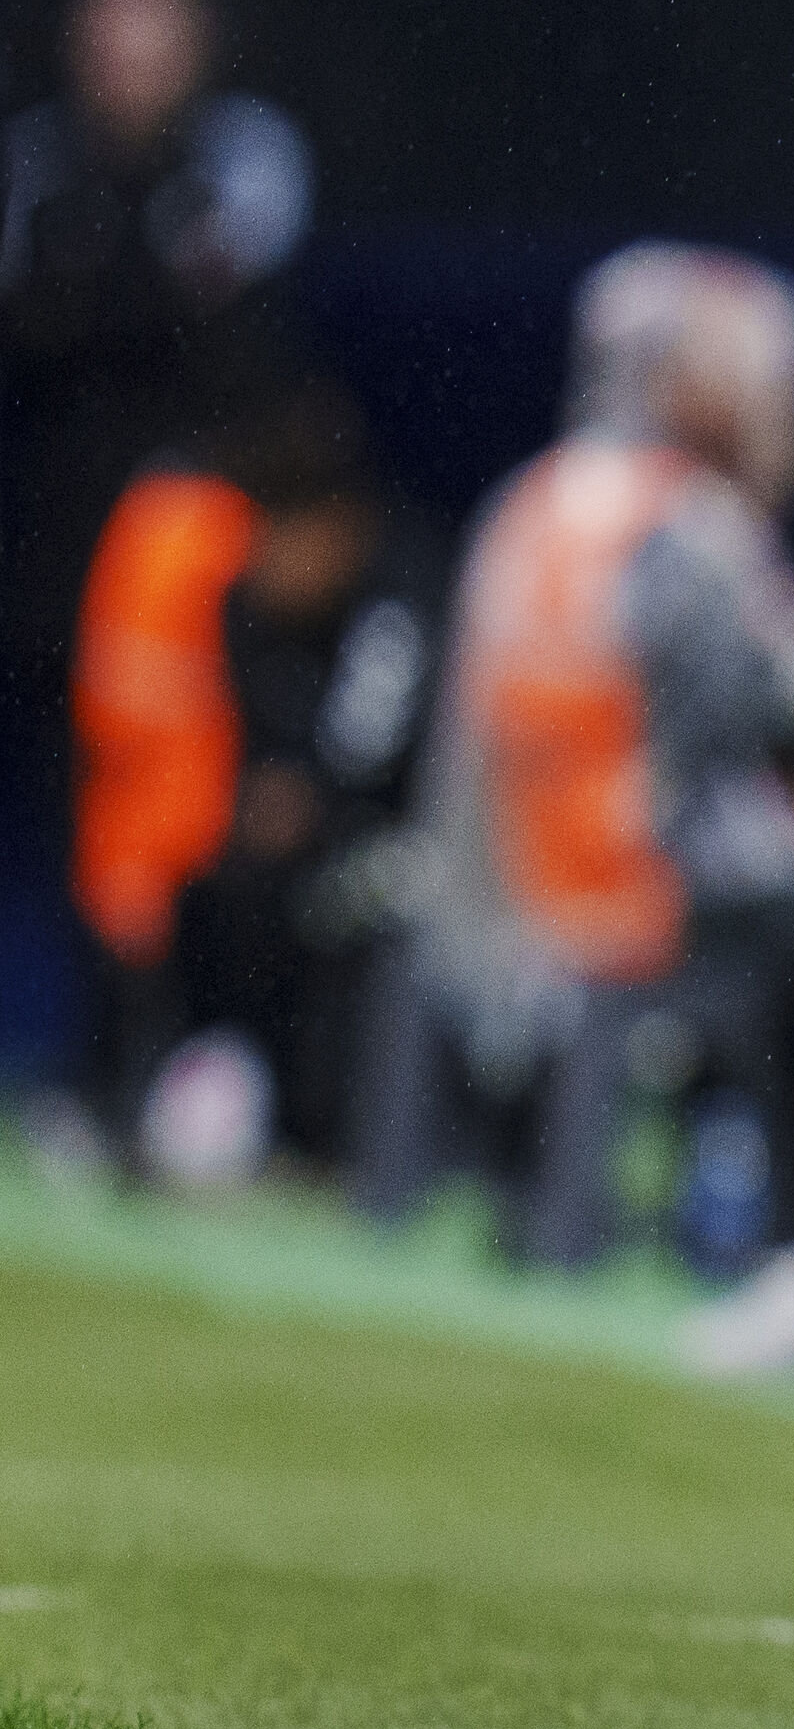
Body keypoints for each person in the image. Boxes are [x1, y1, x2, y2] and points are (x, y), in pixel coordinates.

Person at [361, 244, 794, 1268]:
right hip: (653, 890)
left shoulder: (526, 504)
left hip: (492, 888)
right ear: (694, 385)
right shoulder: (696, 522)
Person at [2, 0, 308, 1052]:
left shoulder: (244, 159)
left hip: (205, 550)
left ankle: (222, 1052)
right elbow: (40, 331)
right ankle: (96, 1059)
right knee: (85, 805)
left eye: (152, 39)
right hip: (67, 549)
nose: (128, 65)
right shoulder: (39, 168)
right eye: (109, 39)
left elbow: (225, 329)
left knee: (221, 800)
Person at [80, 381, 445, 1176]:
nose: (267, 563)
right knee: (202, 885)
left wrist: (307, 793)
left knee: (356, 902)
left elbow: (366, 754)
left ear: (335, 527)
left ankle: (331, 1140)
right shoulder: (250, 603)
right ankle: (157, 1099)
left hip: (414, 845)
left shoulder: (400, 592)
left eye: (283, 539)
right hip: (285, 847)